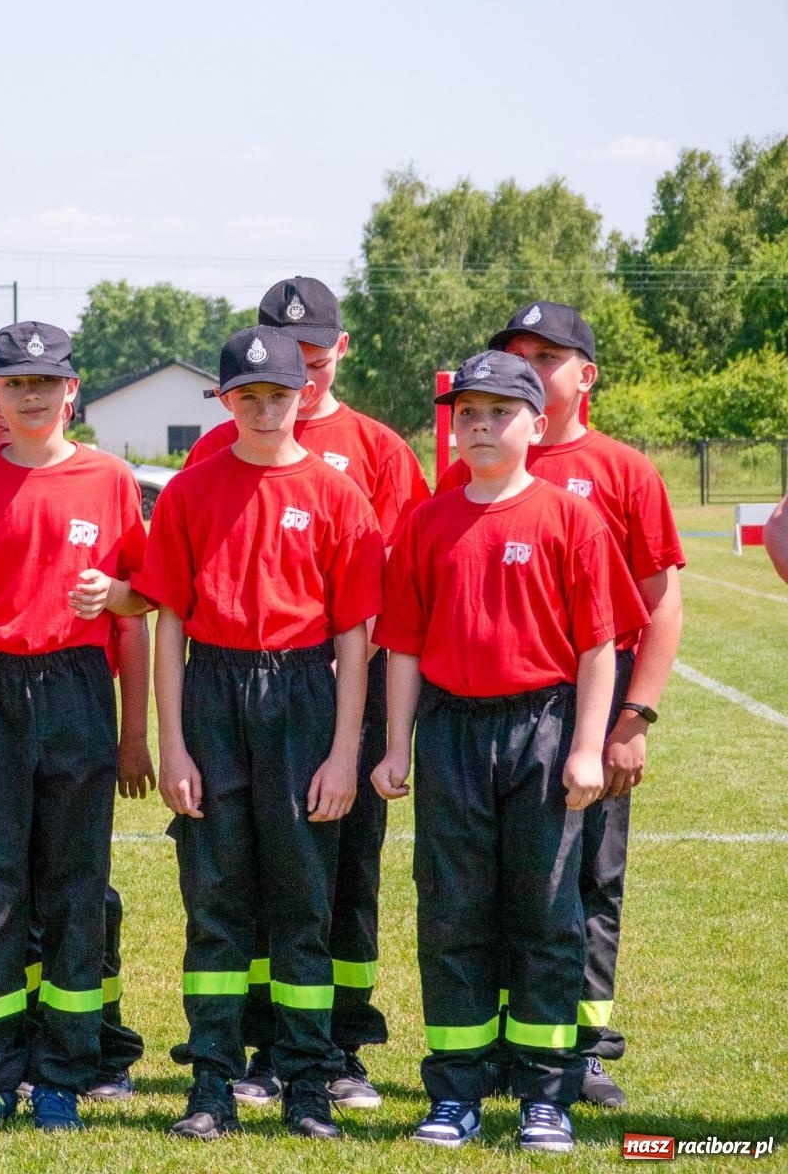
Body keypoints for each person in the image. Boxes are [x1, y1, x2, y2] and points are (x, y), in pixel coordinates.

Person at [373, 351, 648, 1152]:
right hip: (453, 733)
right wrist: (398, 746)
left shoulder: (571, 518)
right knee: (452, 913)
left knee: (546, 914)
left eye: (499, 413)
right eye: (468, 414)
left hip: (544, 728)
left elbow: (599, 647)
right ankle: (454, 1095)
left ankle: (546, 1095)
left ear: (536, 423)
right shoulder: (427, 521)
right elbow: (405, 649)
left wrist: (588, 749)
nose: (481, 426)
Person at [186, 276, 427, 1110]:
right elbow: (180, 596)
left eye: (315, 367)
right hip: (227, 692)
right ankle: (248, 1052)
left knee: (334, 879)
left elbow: (388, 597)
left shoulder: (376, 455)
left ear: (336, 355)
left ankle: (335, 1050)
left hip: (330, 691)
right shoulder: (208, 463)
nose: (301, 387)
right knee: (232, 881)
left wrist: (365, 734)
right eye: (292, 369)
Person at [136, 325, 382, 1142]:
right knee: (215, 902)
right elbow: (169, 623)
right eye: (248, 396)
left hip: (304, 693)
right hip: (213, 691)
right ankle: (213, 1080)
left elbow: (355, 635)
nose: (266, 408)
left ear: (302, 395)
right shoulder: (190, 491)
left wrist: (346, 750)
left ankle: (307, 1082)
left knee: (304, 903)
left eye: (279, 394)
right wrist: (172, 744)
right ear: (226, 401)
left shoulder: (337, 495)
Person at [437, 302, 685, 1108]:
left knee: (585, 883)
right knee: (496, 883)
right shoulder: (473, 467)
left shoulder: (623, 470)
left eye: (550, 354)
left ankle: (584, 1048)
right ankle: (507, 1041)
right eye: (518, 354)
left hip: (585, 708)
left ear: (585, 374)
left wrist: (632, 718)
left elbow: (659, 603)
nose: (533, 364)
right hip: (492, 711)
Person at [0, 322, 148, 1135]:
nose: (30, 396)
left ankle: (62, 1071)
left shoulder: (111, 480)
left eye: (44, 383)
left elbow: (140, 600)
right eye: (14, 385)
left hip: (77, 687)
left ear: (71, 391)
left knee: (74, 885)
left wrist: (132, 731)